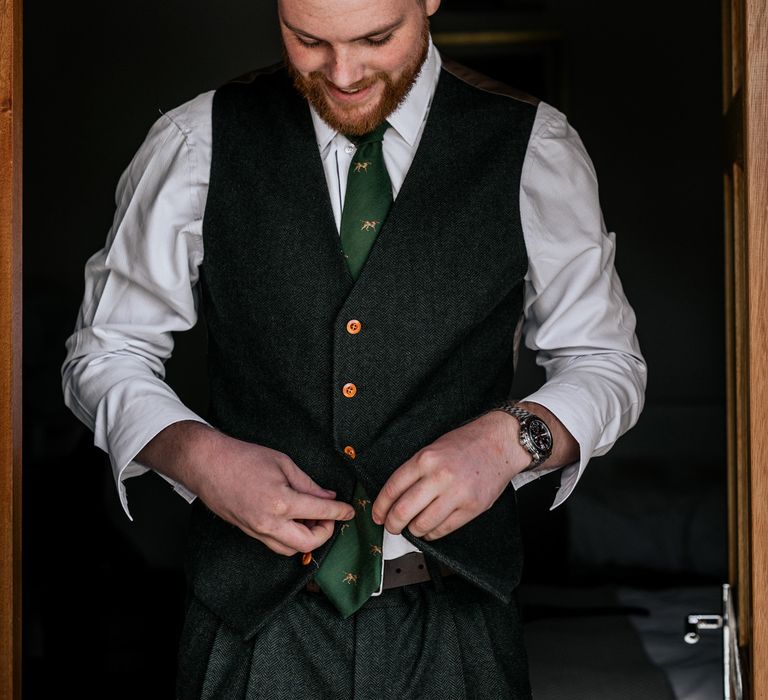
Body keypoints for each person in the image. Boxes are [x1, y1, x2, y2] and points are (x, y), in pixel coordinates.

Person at [62, 0, 647, 697]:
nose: (342, 74)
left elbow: (606, 363)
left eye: (377, 38)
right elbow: (105, 351)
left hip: (457, 627)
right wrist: (201, 458)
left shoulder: (534, 144)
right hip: (253, 629)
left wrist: (507, 443)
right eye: (308, 41)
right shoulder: (196, 140)